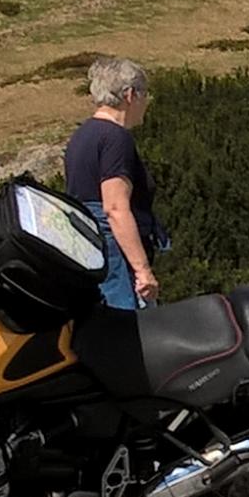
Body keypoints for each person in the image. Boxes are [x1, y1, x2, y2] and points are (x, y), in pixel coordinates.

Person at [66, 56, 169, 309]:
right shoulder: (115, 138)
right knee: (134, 327)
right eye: (145, 94)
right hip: (117, 259)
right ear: (130, 95)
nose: (146, 102)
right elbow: (115, 208)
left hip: (91, 251)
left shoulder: (80, 137)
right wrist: (143, 271)